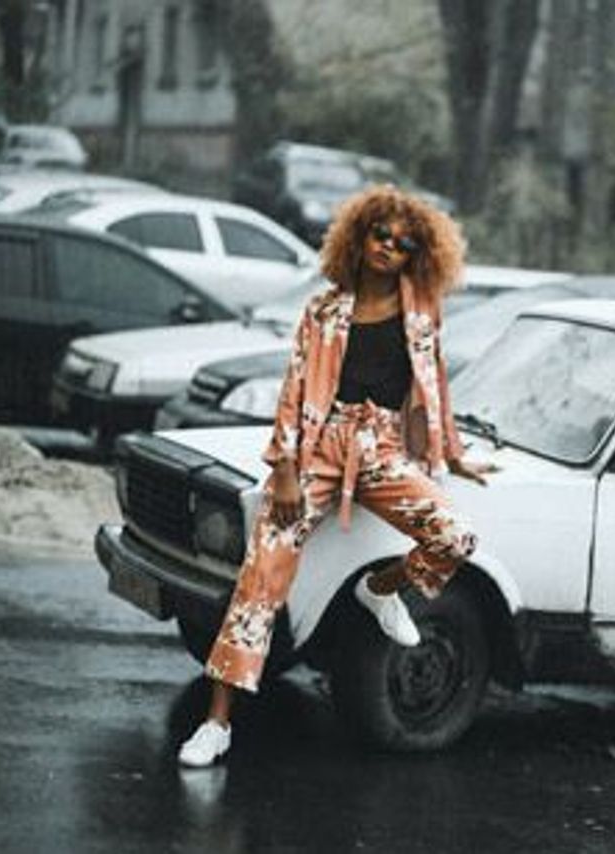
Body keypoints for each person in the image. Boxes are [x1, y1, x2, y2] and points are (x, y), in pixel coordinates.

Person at [178, 185, 495, 767]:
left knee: (455, 537)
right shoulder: (323, 311)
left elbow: (435, 388)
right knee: (259, 582)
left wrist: (451, 456)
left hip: (384, 451)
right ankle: (216, 723)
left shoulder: (422, 312)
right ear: (359, 236)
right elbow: (294, 391)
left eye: (404, 243)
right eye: (381, 235)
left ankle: (380, 590)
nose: (389, 247)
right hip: (320, 450)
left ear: (417, 254)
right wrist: (285, 469)